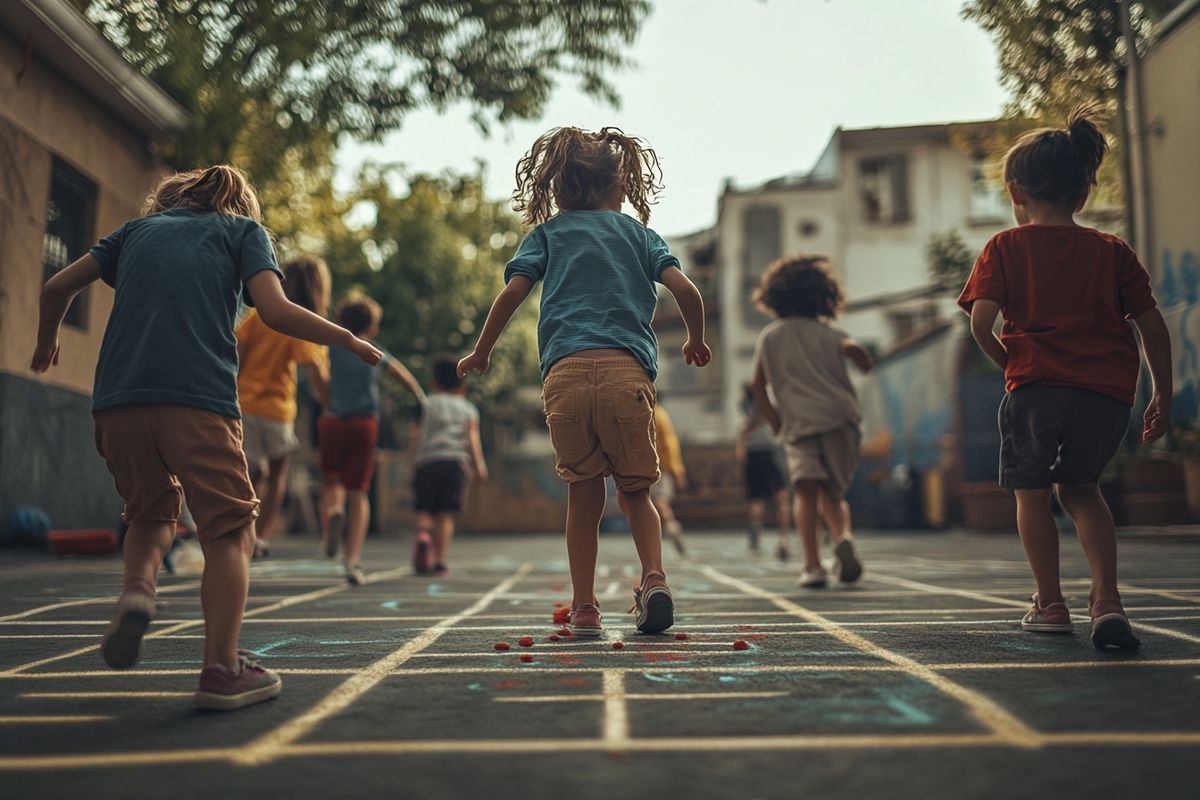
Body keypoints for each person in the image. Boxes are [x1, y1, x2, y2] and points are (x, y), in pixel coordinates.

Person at [31, 165, 381, 710]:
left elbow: (57, 285)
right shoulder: (242, 232)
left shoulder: (132, 232)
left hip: (116, 403)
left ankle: (138, 592)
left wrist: (46, 340)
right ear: (239, 205)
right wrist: (347, 339)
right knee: (230, 532)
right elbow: (276, 309)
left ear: (169, 200)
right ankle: (222, 668)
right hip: (198, 401)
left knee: (149, 515)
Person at [458, 126, 710, 637]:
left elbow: (512, 295)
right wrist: (695, 339)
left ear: (559, 189)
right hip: (627, 374)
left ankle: (585, 608)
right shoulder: (640, 236)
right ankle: (654, 579)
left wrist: (481, 351)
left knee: (583, 495)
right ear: (620, 188)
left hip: (566, 376)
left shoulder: (548, 235)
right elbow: (687, 290)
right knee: (636, 492)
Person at [957, 104, 1171, 650]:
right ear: (1082, 194)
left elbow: (982, 323)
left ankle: (1050, 604)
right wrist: (1162, 394)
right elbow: (1151, 325)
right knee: (1082, 490)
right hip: (1105, 395)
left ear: (1014, 192)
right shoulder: (1112, 251)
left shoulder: (1004, 247)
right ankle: (1107, 600)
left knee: (1030, 492)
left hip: (1036, 389)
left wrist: (1012, 364)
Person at [751, 256, 871, 589]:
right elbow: (858, 354)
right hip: (840, 419)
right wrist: (856, 351)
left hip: (799, 423)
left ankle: (812, 566)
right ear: (824, 295)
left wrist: (776, 423)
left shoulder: (771, 336)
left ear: (775, 296)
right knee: (832, 493)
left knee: (805, 490)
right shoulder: (831, 333)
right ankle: (841, 535)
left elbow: (758, 385)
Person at [318, 292, 425, 584]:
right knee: (359, 491)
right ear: (373, 327)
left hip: (333, 421)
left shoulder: (332, 346)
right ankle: (352, 561)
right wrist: (418, 396)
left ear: (342, 320)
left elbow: (316, 376)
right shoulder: (371, 348)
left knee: (332, 482)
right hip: (364, 423)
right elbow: (400, 374)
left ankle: (333, 514)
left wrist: (326, 400)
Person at [235, 255, 331, 559]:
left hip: (243, 402)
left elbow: (236, 351)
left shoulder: (259, 314)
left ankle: (241, 532)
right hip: (277, 411)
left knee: (250, 472)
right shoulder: (300, 322)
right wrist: (329, 405)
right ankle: (261, 537)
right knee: (277, 474)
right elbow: (316, 373)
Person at [410, 354, 488, 577]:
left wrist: (412, 461)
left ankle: (423, 534)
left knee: (424, 509)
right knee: (445, 515)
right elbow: (471, 440)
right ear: (462, 384)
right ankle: (440, 562)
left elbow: (415, 435)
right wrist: (479, 467)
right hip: (455, 463)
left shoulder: (425, 404)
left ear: (433, 382)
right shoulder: (468, 409)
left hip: (427, 462)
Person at [735, 383, 790, 558]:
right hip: (767, 450)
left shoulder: (750, 404)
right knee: (778, 497)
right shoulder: (759, 403)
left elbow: (745, 429)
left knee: (761, 498)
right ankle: (781, 537)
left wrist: (741, 447)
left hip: (759, 451)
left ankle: (772, 535)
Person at [650, 401, 688, 556]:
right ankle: (668, 529)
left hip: (659, 466)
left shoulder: (658, 415)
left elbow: (670, 444)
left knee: (659, 502)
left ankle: (672, 527)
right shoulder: (659, 414)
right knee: (656, 503)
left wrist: (676, 469)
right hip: (653, 466)